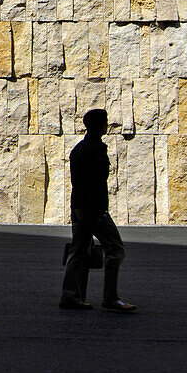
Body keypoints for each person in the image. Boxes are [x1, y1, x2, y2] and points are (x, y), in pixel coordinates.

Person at [59, 108, 137, 313]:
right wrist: (99, 210)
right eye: (105, 122)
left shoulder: (78, 149)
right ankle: (110, 298)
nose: (107, 125)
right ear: (101, 125)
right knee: (115, 249)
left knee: (78, 250)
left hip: (78, 205)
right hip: (93, 207)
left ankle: (71, 296)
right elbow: (97, 180)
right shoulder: (96, 149)